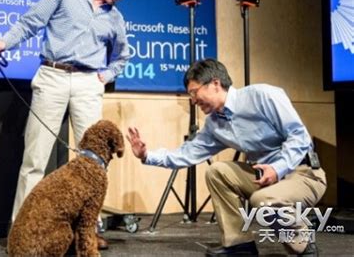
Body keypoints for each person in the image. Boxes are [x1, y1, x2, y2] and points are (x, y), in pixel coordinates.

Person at [0, 0, 142, 248]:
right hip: (53, 75)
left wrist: (104, 77)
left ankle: (87, 233)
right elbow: (31, 21)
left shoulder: (115, 18)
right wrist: (5, 43)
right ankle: (21, 232)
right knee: (34, 160)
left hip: (88, 83)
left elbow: (122, 55)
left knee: (94, 164)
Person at [126, 58, 326, 256]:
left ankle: (304, 245)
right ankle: (239, 246)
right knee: (216, 171)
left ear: (215, 84)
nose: (193, 101)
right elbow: (186, 153)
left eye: (194, 92)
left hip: (303, 172)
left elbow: (300, 137)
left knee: (262, 200)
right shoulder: (215, 124)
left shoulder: (263, 95)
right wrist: (146, 155)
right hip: (264, 176)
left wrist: (277, 168)